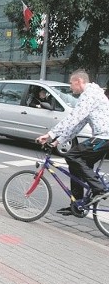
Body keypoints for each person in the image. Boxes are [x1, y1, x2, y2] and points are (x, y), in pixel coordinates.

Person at [36, 70, 109, 215]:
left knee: (71, 156)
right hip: (102, 137)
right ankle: (77, 205)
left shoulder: (90, 95)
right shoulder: (91, 95)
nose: (70, 87)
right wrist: (59, 140)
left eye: (71, 83)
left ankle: (98, 188)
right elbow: (79, 124)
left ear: (79, 81)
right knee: (75, 166)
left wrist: (50, 134)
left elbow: (73, 118)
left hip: (104, 137)